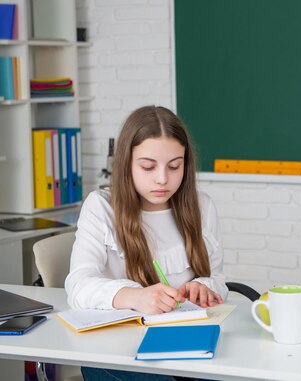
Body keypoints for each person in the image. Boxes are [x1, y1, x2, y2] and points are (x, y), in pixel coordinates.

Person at [65, 105, 228, 381]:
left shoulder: (202, 206)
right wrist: (136, 297)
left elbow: (220, 280)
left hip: (185, 345)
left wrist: (204, 288)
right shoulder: (101, 207)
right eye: (148, 166)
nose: (163, 178)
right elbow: (78, 286)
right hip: (116, 352)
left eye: (175, 166)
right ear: (126, 163)